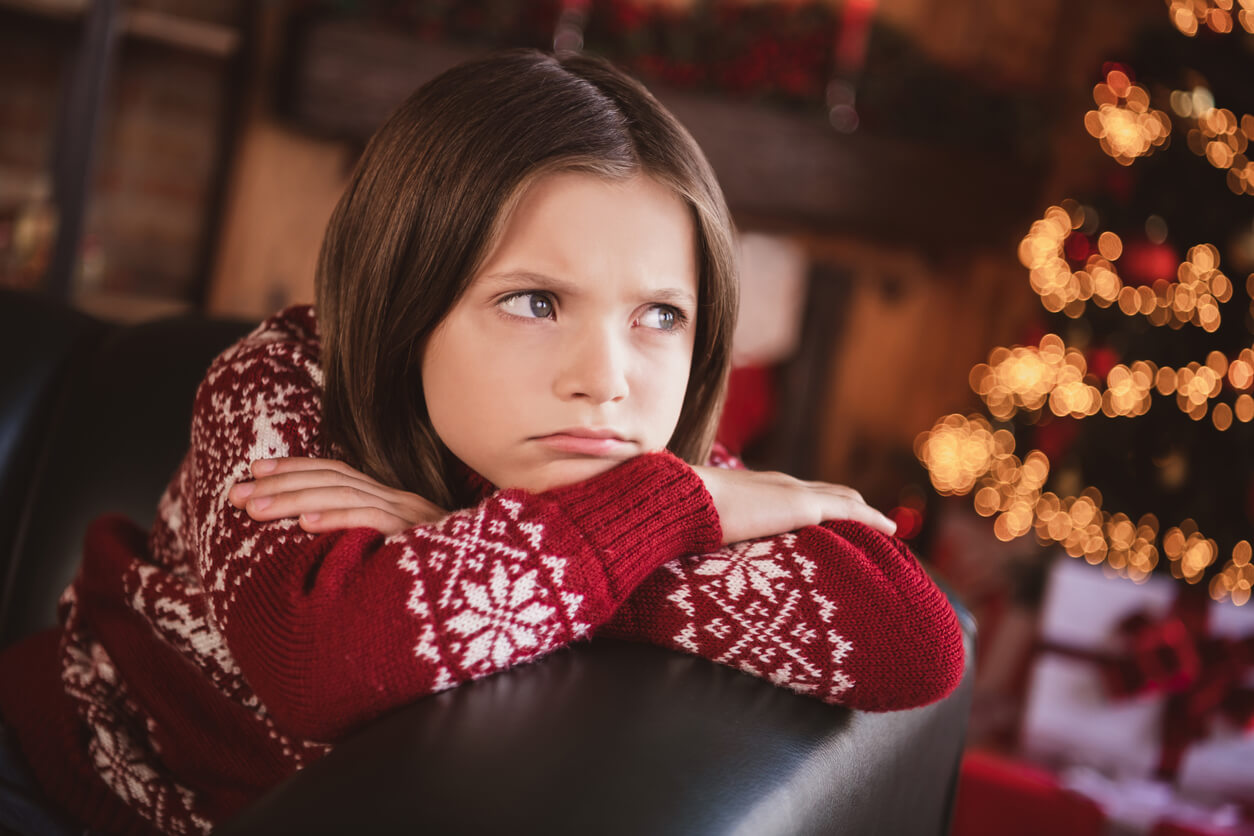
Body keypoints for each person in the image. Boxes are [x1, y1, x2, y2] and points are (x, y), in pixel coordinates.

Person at [0, 49, 964, 835]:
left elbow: (912, 643)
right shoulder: (280, 390)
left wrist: (490, 539)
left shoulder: (641, 478)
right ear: (406, 297)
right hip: (68, 776)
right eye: (536, 301)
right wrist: (652, 525)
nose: (608, 376)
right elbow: (318, 665)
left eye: (660, 315)